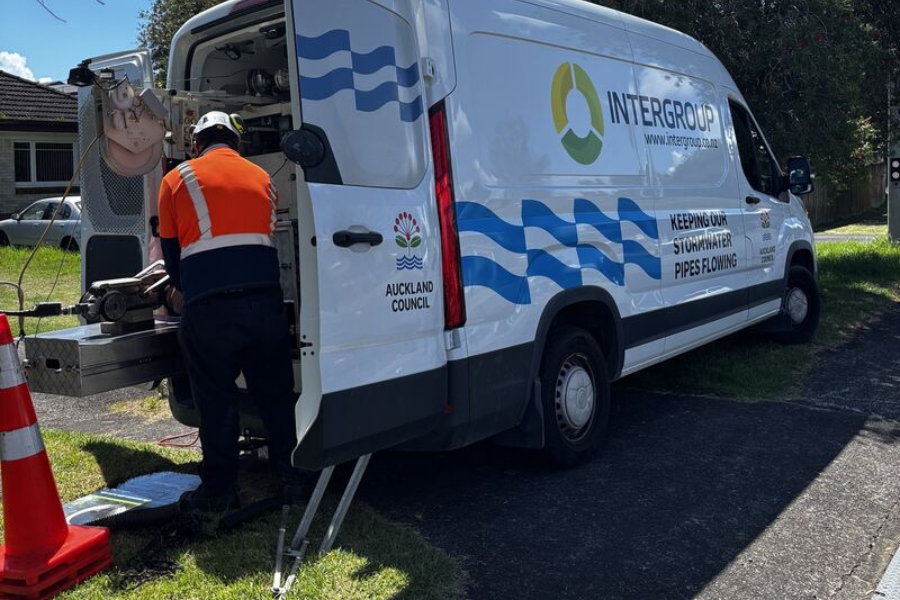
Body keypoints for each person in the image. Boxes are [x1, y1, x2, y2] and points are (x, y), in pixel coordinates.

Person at [157, 111, 297, 511]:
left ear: (197, 144)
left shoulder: (175, 179)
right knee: (275, 395)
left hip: (212, 309)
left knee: (217, 400)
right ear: (236, 142)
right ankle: (294, 478)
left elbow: (172, 258)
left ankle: (220, 492)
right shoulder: (263, 178)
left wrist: (175, 294)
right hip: (266, 302)